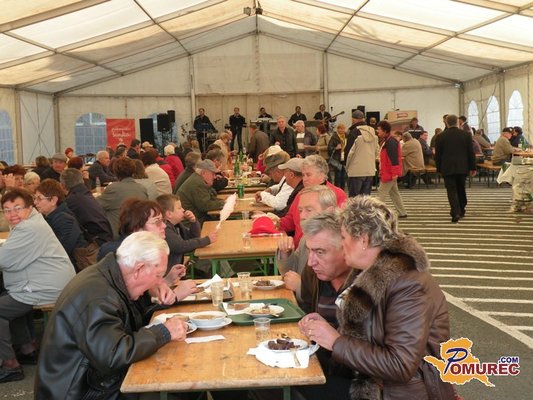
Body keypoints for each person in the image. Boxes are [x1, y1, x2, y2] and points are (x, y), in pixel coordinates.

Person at [298, 196, 455, 400]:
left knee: (292, 383)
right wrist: (329, 330)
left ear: (363, 240)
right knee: (292, 371)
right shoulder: (368, 272)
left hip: (395, 392)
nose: (342, 245)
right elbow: (370, 337)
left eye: (344, 238)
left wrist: (336, 341)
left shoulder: (409, 285)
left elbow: (400, 365)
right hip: (370, 380)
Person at [35, 232, 189, 399]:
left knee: (182, 385)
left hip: (94, 382)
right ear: (138, 269)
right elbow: (112, 356)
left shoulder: (109, 276)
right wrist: (164, 332)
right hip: (81, 392)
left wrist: (160, 310)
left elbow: (128, 325)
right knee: (179, 389)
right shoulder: (99, 297)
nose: (160, 282)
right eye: (158, 275)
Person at [0, 189, 75, 384]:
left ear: (29, 207)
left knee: (4, 306)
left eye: (17, 208)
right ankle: (27, 349)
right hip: (46, 282)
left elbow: (3, 260)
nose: (12, 214)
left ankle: (9, 365)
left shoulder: (29, 228)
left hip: (46, 287)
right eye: (7, 210)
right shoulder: (32, 220)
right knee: (9, 297)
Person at [277, 186, 338, 301]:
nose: (302, 216)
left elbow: (334, 301)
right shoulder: (306, 238)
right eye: (300, 210)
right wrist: (286, 253)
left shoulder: (338, 243)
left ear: (329, 211)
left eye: (309, 210)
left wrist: (300, 287)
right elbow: (290, 274)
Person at [280, 155, 347, 248]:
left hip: (323, 248)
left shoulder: (338, 194)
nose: (304, 179)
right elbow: (290, 220)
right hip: (298, 248)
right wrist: (273, 223)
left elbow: (342, 227)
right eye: (303, 175)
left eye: (308, 175)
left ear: (322, 175)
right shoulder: (301, 194)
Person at [34, 179, 87, 271]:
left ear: (53, 200)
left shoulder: (64, 220)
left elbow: (60, 252)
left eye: (39, 198)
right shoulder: (50, 216)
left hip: (72, 268)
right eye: (34, 198)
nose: (35, 202)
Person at [435, 114, 476, 223]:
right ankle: (462, 208)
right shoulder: (466, 135)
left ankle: (455, 212)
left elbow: (438, 155)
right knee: (461, 188)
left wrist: (439, 169)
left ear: (446, 123)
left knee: (451, 190)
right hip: (463, 167)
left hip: (447, 167)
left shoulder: (440, 136)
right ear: (457, 122)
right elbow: (471, 152)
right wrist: (473, 167)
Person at [156, 194, 217, 267]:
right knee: (208, 260)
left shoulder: (177, 225)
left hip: (176, 267)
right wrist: (207, 240)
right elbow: (181, 246)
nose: (183, 210)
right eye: (179, 208)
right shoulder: (165, 229)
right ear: (169, 214)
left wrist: (193, 222)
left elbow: (193, 237)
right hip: (168, 270)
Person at [97, 157, 148, 238]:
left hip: (118, 236)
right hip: (139, 234)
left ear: (115, 172)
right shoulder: (142, 189)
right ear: (133, 170)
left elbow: (96, 206)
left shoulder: (113, 189)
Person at [61, 168, 113, 245]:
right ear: (82, 180)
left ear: (62, 185)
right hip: (106, 236)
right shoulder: (85, 193)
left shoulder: (71, 201)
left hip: (96, 243)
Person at [177, 159, 224, 224]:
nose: (214, 177)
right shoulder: (197, 184)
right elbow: (206, 205)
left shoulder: (198, 179)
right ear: (204, 173)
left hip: (196, 218)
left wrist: (223, 201)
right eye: (212, 174)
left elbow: (211, 197)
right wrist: (224, 203)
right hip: (191, 223)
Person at [376, 120, 407, 218]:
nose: (377, 131)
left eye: (379, 129)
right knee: (394, 193)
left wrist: (394, 173)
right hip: (389, 172)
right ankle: (402, 212)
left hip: (389, 173)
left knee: (381, 193)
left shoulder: (390, 142)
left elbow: (394, 160)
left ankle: (376, 214)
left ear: (385, 131)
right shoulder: (389, 141)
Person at [344, 117, 378, 196]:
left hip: (356, 171)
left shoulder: (354, 134)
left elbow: (349, 153)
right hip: (370, 170)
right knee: (365, 198)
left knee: (354, 198)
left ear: (353, 120)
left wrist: (347, 166)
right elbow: (376, 152)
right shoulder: (375, 137)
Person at [327, 123, 347, 189]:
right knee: (338, 176)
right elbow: (329, 148)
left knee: (344, 176)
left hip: (344, 158)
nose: (343, 130)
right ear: (337, 129)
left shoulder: (346, 136)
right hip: (337, 159)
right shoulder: (334, 137)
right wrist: (336, 148)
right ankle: (337, 190)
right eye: (341, 128)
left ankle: (342, 190)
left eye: (344, 129)